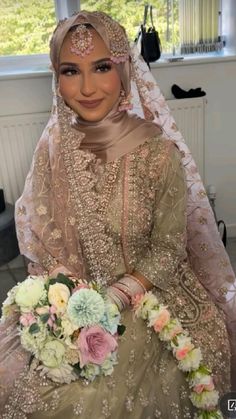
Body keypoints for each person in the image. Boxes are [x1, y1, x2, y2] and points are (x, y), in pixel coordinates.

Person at [0, 10, 235, 418]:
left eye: (102, 67)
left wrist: (116, 295)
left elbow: (168, 248)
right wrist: (66, 303)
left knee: (80, 403)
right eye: (71, 70)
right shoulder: (53, 147)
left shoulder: (159, 153)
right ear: (57, 78)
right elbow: (40, 232)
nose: (87, 87)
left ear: (125, 70)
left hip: (149, 296)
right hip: (71, 299)